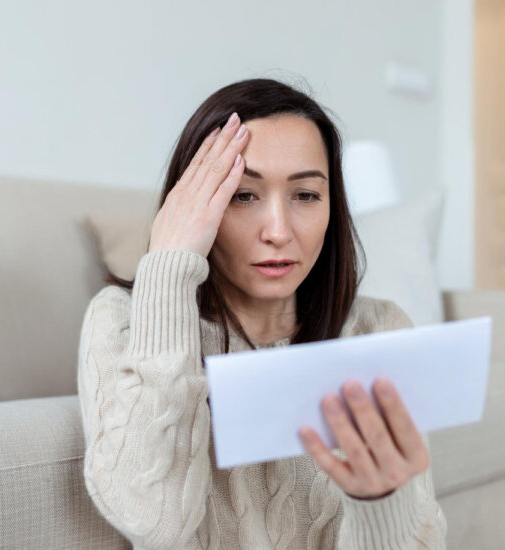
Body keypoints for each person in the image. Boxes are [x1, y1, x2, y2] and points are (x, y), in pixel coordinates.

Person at [77, 77, 448, 549]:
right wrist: (168, 265)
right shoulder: (120, 322)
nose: (278, 231)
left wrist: (381, 506)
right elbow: (155, 522)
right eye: (243, 195)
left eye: (306, 195)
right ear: (192, 206)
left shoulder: (380, 331)